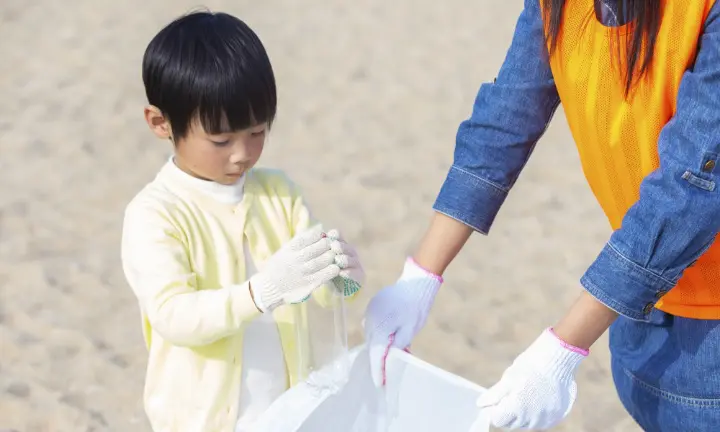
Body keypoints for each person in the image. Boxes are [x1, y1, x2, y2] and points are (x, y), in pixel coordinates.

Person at [364, 0, 720, 430]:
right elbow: (506, 119)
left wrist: (561, 351)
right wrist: (419, 278)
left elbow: (688, 188)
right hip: (631, 303)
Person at [120, 11, 364, 432]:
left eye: (257, 132)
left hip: (288, 413)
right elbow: (173, 315)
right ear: (161, 123)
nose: (242, 153)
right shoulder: (155, 213)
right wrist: (263, 291)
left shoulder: (278, 193)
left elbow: (319, 293)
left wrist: (342, 279)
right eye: (220, 139)